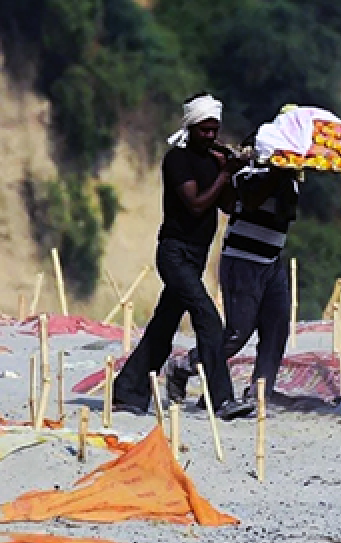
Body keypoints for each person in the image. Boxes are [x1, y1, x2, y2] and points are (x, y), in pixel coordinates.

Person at [112, 92, 253, 421]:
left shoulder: (214, 160)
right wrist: (223, 173)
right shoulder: (177, 160)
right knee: (208, 319)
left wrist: (232, 173)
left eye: (214, 130)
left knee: (164, 326)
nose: (210, 136)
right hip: (174, 254)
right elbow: (196, 204)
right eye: (204, 130)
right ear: (191, 128)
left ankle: (128, 391)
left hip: (195, 258)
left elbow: (229, 206)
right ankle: (222, 401)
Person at [170, 129, 300, 403]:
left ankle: (259, 391)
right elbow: (250, 202)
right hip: (243, 260)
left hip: (272, 260)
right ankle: (184, 367)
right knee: (237, 333)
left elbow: (287, 213)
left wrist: (287, 176)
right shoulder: (246, 174)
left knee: (276, 328)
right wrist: (275, 173)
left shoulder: (289, 180)